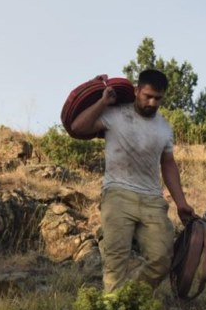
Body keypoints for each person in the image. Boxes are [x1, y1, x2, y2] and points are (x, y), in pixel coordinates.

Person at [71, 69, 196, 292]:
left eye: (158, 98)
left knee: (161, 260)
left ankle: (129, 301)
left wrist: (181, 203)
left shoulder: (164, 128)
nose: (152, 102)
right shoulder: (115, 113)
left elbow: (168, 164)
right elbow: (78, 128)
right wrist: (102, 103)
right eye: (147, 96)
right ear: (137, 90)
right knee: (115, 262)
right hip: (117, 194)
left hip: (152, 200)